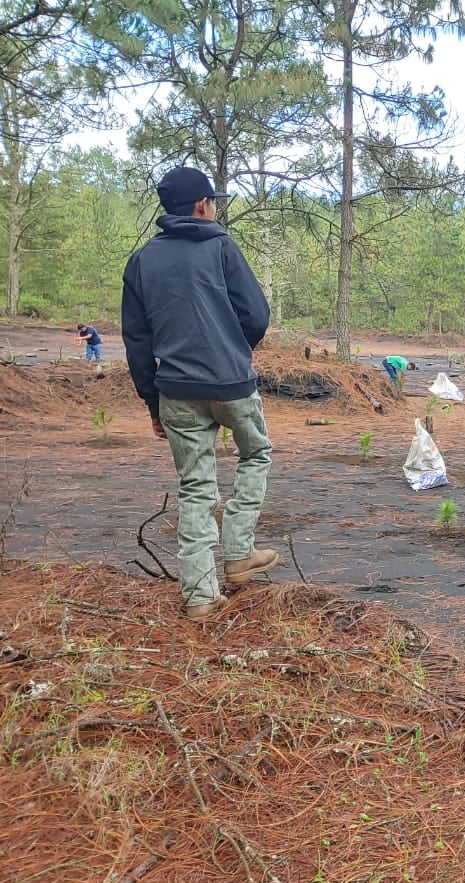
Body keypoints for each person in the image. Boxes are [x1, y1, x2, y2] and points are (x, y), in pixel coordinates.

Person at [121, 165, 278, 621]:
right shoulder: (221, 246)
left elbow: (137, 341)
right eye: (213, 200)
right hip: (231, 383)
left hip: (175, 391)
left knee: (195, 487)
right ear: (201, 205)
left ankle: (200, 597)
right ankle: (239, 554)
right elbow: (257, 316)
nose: (213, 207)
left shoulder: (142, 261)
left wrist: (152, 403)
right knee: (256, 455)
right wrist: (231, 348)